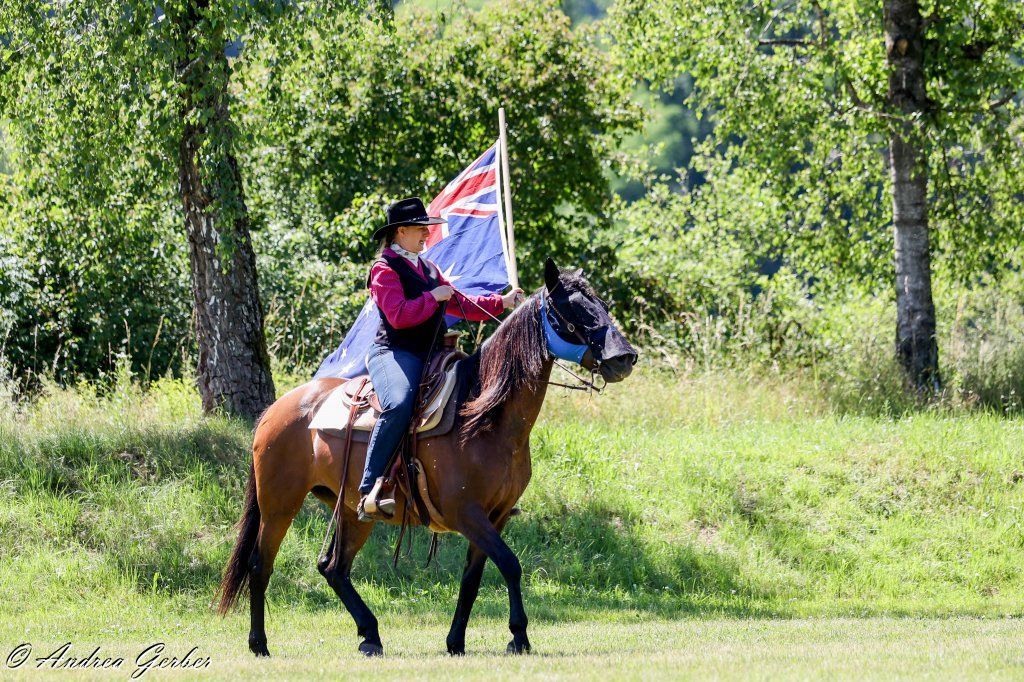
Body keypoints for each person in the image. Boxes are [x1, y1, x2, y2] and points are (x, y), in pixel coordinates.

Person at [358, 197, 525, 520]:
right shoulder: (383, 270)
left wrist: (501, 302)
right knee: (399, 403)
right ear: (401, 232)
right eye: (421, 229)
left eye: (427, 229)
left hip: (433, 354)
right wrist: (431, 297)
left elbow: (460, 302)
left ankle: (482, 489)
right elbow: (398, 317)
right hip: (393, 352)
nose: (426, 235)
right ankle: (369, 489)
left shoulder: (429, 268)